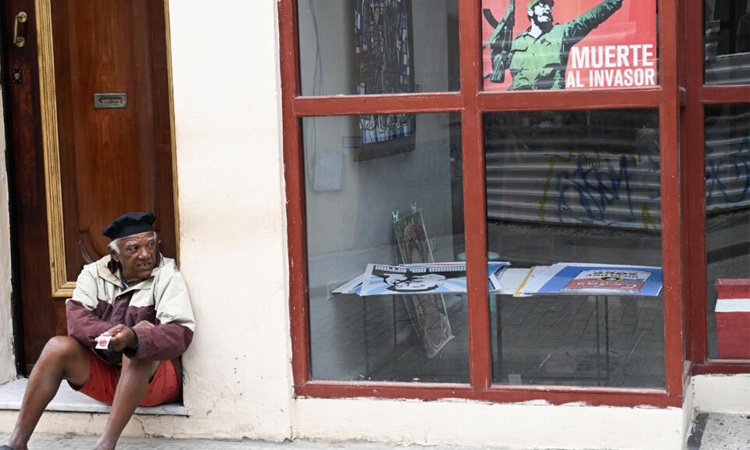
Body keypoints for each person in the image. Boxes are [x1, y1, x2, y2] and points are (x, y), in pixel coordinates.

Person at [2, 212, 195, 450]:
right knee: (56, 347)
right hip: (109, 379)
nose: (146, 254)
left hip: (154, 384)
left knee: (139, 343)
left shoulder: (168, 275)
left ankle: (105, 446)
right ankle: (17, 444)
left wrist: (134, 338)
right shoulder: (93, 273)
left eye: (151, 245)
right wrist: (114, 337)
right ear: (114, 253)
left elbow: (180, 333)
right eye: (134, 248)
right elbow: (77, 321)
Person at [485, 0, 624, 90]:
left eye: (549, 6)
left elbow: (590, 18)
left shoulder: (561, 33)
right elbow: (500, 65)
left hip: (551, 108)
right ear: (531, 11)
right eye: (542, 5)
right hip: (518, 107)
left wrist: (614, 2)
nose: (547, 9)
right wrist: (500, 35)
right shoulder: (518, 41)